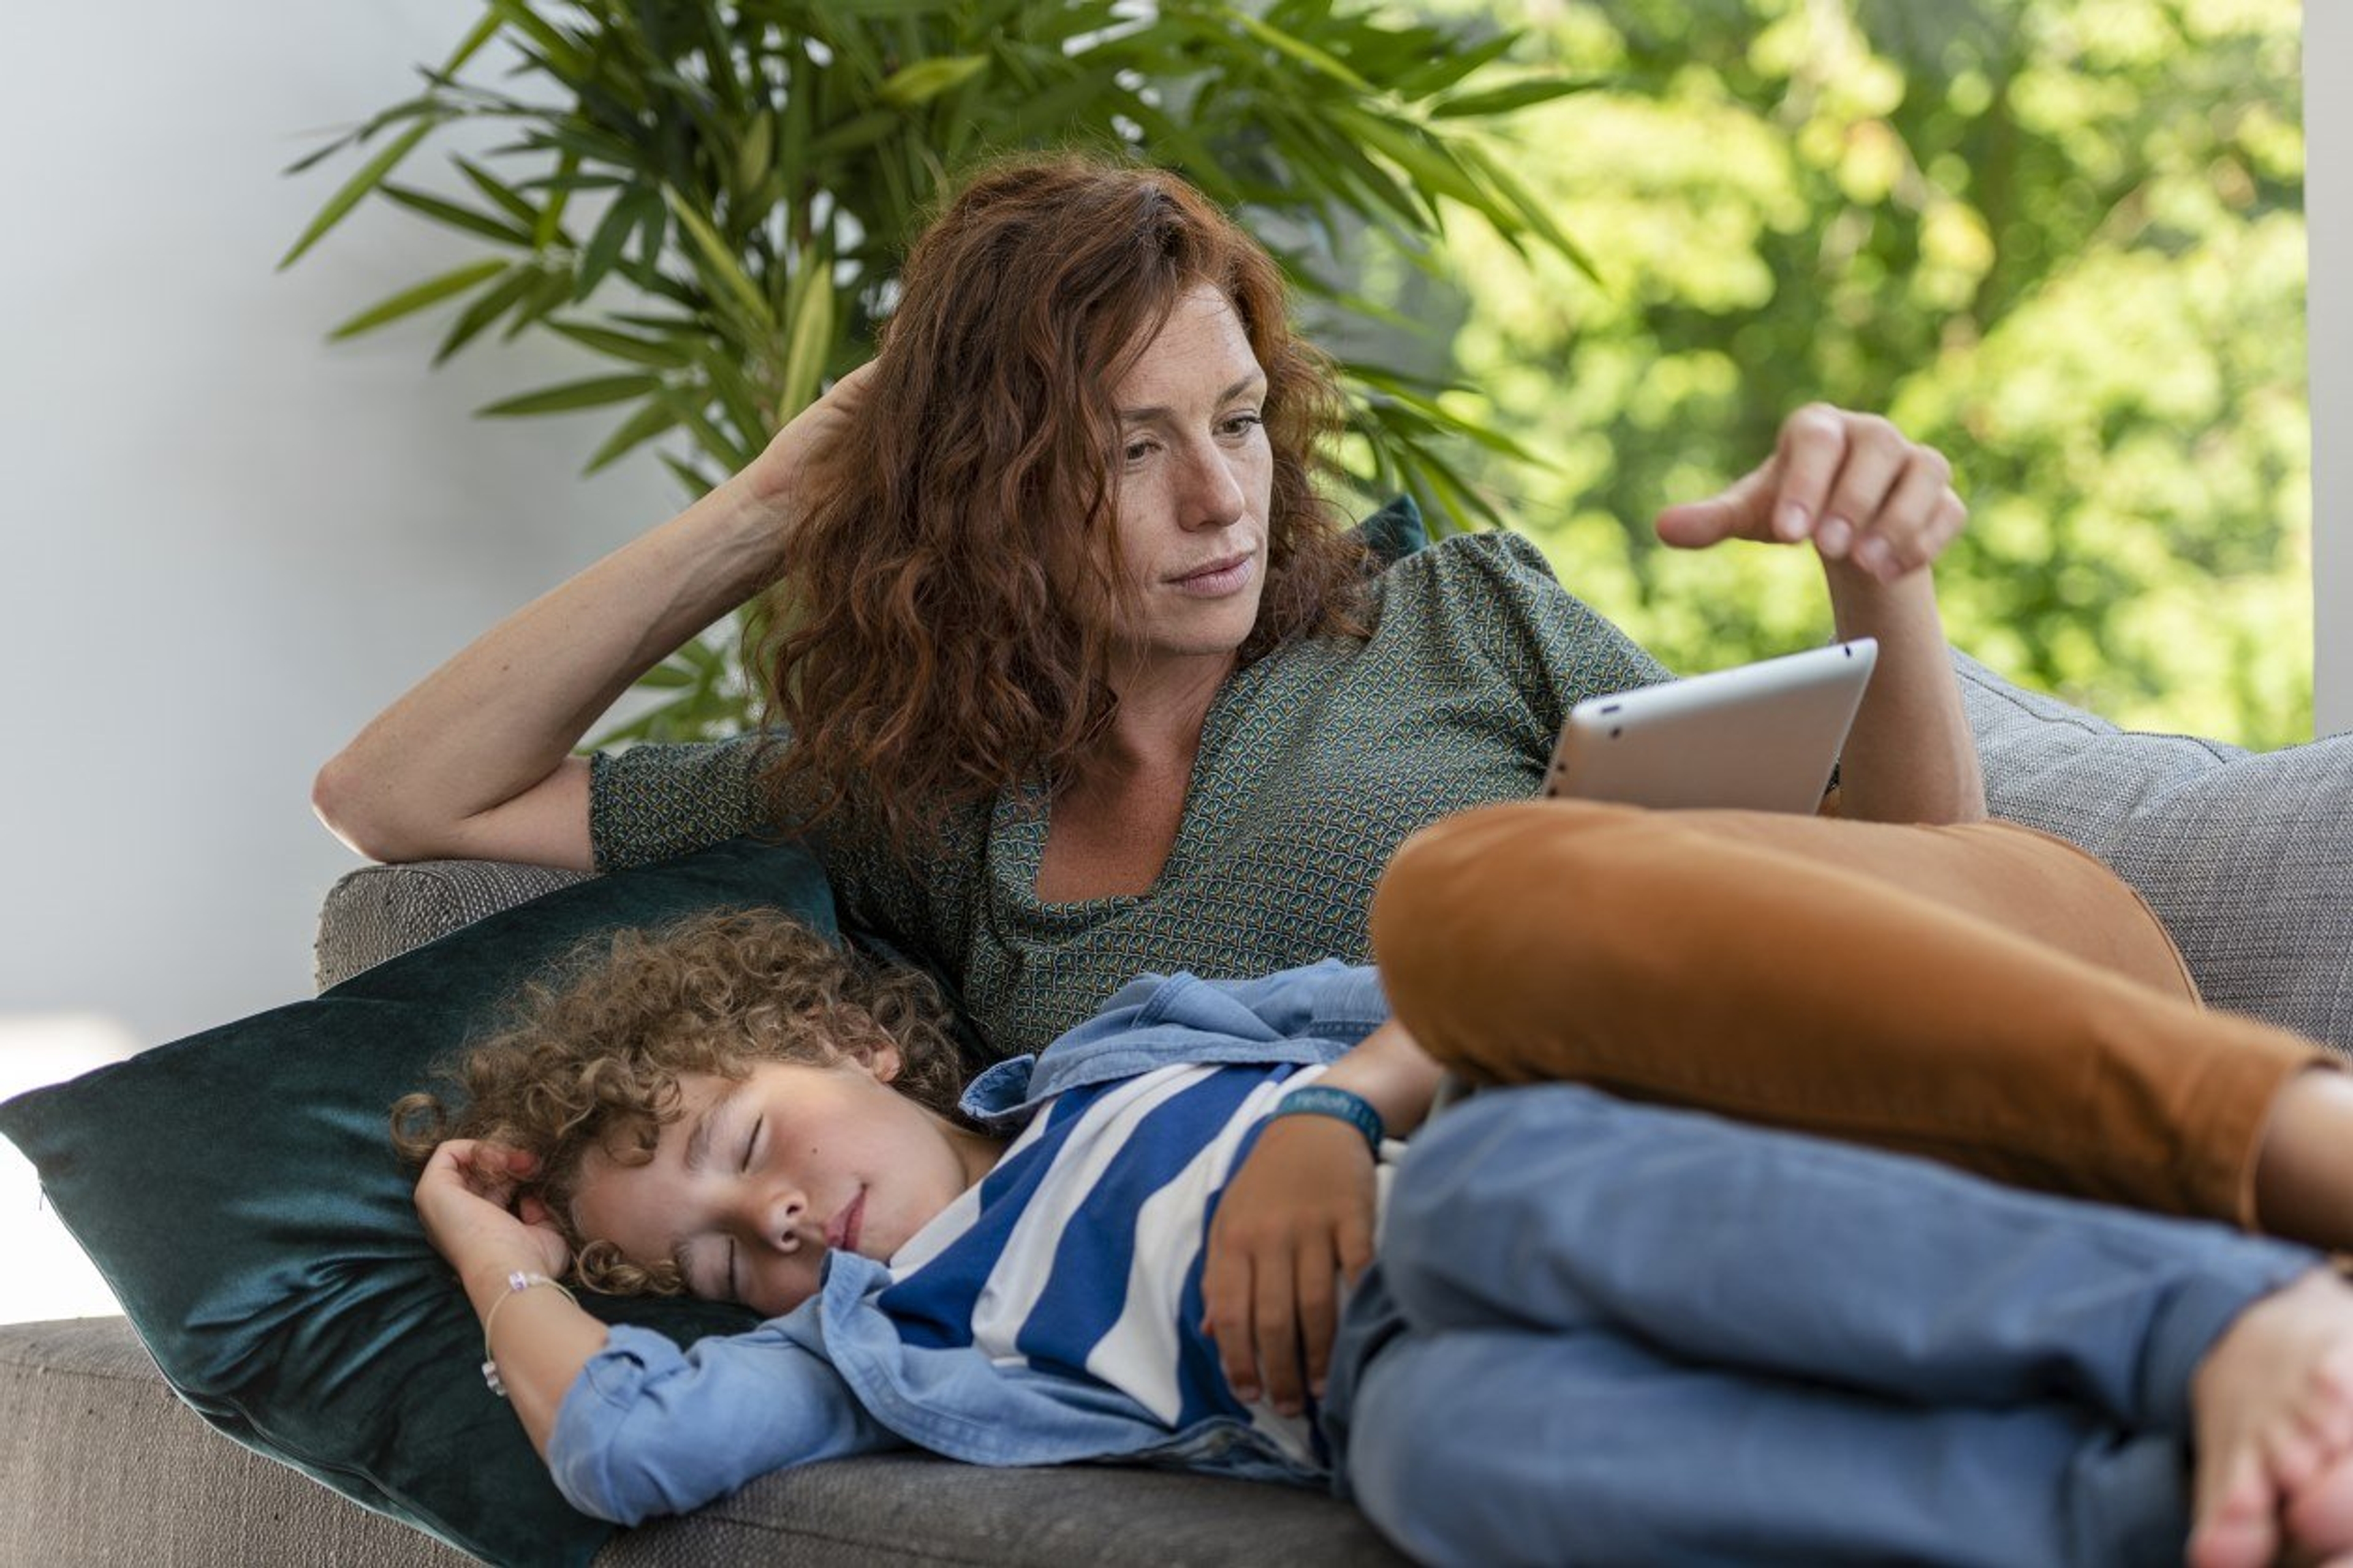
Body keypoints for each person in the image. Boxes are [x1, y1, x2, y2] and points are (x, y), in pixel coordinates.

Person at [325, 148, 2351, 1418]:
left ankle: (2272, 1180)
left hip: (1930, 1034)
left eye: (1235, 421)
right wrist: (786, 491)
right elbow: (405, 791)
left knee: (1494, 909)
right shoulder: (929, 803)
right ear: (981, 496)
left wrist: (1876, 591)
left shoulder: (1453, 619)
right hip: (1571, 1261)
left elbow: (1925, 879)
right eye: (1126, 451)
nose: (1222, 498)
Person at [402, 904, 2353, 1568]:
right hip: (1373, 1387)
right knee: (1445, 1472)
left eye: (752, 1143)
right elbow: (622, 1444)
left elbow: (1467, 975)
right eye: (735, 1254)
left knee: (1500, 1194)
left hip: (1477, 1187)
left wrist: (1338, 1122)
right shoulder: (854, 1353)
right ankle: (2163, 1514)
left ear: (853, 1037)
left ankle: (2223, 1322)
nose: (785, 1222)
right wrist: (495, 1250)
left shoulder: (1127, 1049)